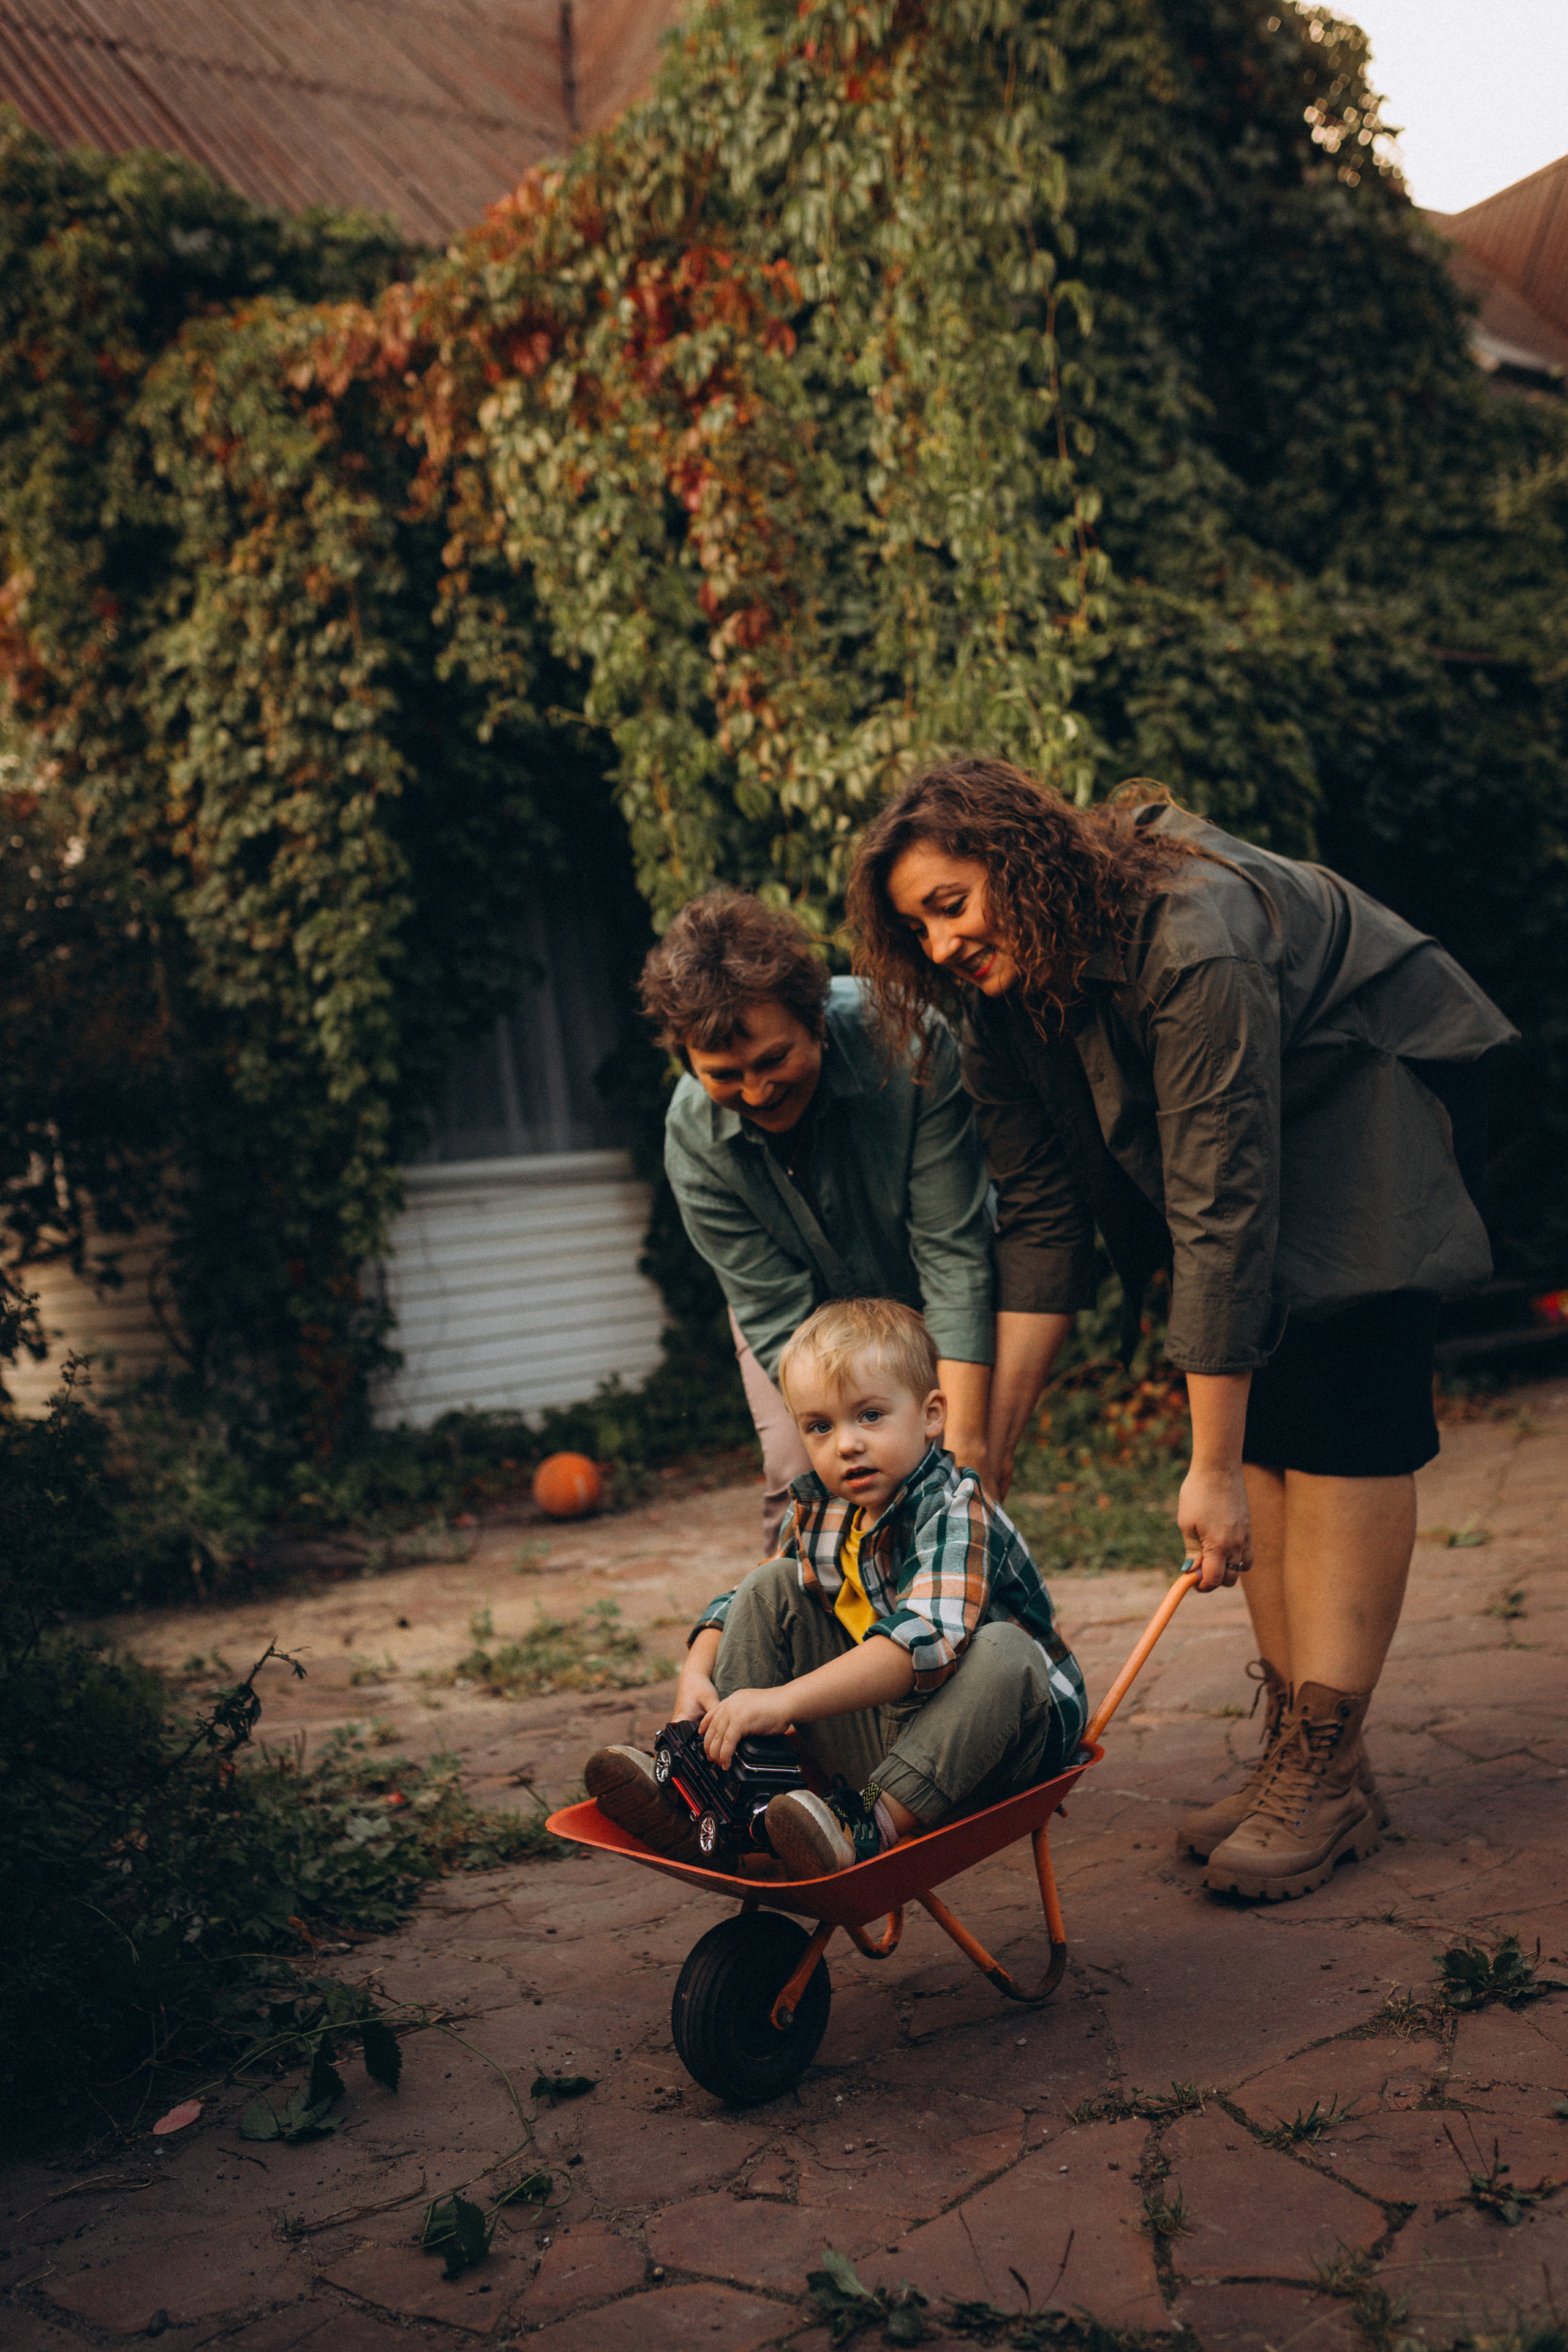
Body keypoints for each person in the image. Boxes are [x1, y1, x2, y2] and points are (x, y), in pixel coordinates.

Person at [846, 759, 1515, 1903]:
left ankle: (1327, 1763)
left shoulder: (1190, 934)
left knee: (1340, 1410)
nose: (943, 945)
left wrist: (1205, 1470)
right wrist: (986, 1446)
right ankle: (1306, 1753)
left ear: (1017, 863)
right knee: (1267, 1417)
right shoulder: (1005, 998)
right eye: (919, 928)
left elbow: (1220, 1203)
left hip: (1357, 1094)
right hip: (1250, 1146)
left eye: (951, 904)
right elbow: (1044, 1214)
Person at [585, 1298, 1087, 1879]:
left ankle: (866, 1823)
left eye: (870, 1416)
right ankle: (708, 1792)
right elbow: (736, 1603)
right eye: (820, 1427)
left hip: (996, 1744)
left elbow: (917, 1644)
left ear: (931, 1415)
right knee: (773, 1581)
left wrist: (782, 1701)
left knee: (1005, 1651)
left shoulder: (957, 1510)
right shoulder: (826, 1514)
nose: (845, 1444)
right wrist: (695, 1675)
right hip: (896, 1734)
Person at [642, 889, 997, 1548]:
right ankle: (815, 1638)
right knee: (802, 1477)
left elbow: (954, 1252)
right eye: (723, 1074)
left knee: (950, 1464)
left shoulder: (908, 1045)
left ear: (817, 1022)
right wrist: (835, 1432)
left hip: (926, 1277)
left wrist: (966, 1448)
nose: (755, 1091)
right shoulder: (692, 1141)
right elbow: (776, 1312)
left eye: (774, 1060)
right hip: (793, 1312)